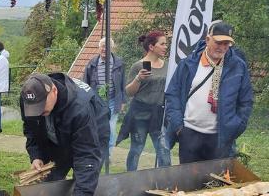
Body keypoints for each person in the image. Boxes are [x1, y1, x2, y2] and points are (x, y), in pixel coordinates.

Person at [164, 21, 254, 163]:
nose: (222, 47)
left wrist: (235, 128)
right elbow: (172, 95)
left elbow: (246, 101)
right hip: (189, 133)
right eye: (218, 42)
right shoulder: (188, 64)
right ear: (207, 40)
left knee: (215, 183)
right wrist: (179, 128)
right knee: (189, 182)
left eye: (226, 43)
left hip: (221, 138)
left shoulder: (238, 66)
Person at [20, 73, 110, 196]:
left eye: (42, 105)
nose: (39, 111)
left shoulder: (80, 108)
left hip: (93, 132)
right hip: (59, 134)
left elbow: (87, 153)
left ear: (54, 91)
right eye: (35, 108)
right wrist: (36, 155)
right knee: (51, 178)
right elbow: (31, 128)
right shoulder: (29, 98)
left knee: (81, 185)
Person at [118, 30, 172, 171]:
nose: (166, 47)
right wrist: (138, 79)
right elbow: (128, 92)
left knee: (163, 151)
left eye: (166, 44)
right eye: (162, 44)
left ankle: (166, 182)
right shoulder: (138, 66)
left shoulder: (168, 66)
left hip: (159, 114)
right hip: (140, 113)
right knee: (136, 149)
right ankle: (131, 180)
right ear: (151, 47)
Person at [83, 37, 125, 151]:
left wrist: (122, 101)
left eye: (107, 46)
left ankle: (108, 154)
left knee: (111, 128)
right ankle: (98, 151)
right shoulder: (92, 64)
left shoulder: (119, 63)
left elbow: (122, 83)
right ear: (99, 48)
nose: (104, 49)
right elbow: (85, 83)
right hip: (97, 102)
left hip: (113, 100)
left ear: (112, 48)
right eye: (102, 46)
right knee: (98, 127)